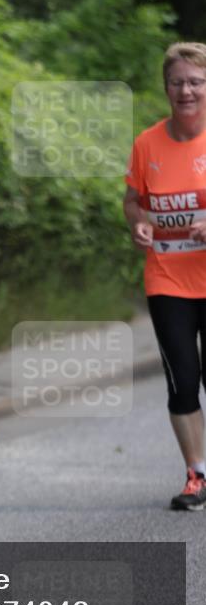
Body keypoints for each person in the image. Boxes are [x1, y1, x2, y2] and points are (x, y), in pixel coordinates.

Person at [124, 42, 206, 511]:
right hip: (167, 279)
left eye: (195, 81)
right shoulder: (147, 143)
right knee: (182, 380)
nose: (186, 90)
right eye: (177, 82)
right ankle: (196, 475)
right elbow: (134, 199)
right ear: (166, 88)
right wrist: (136, 221)